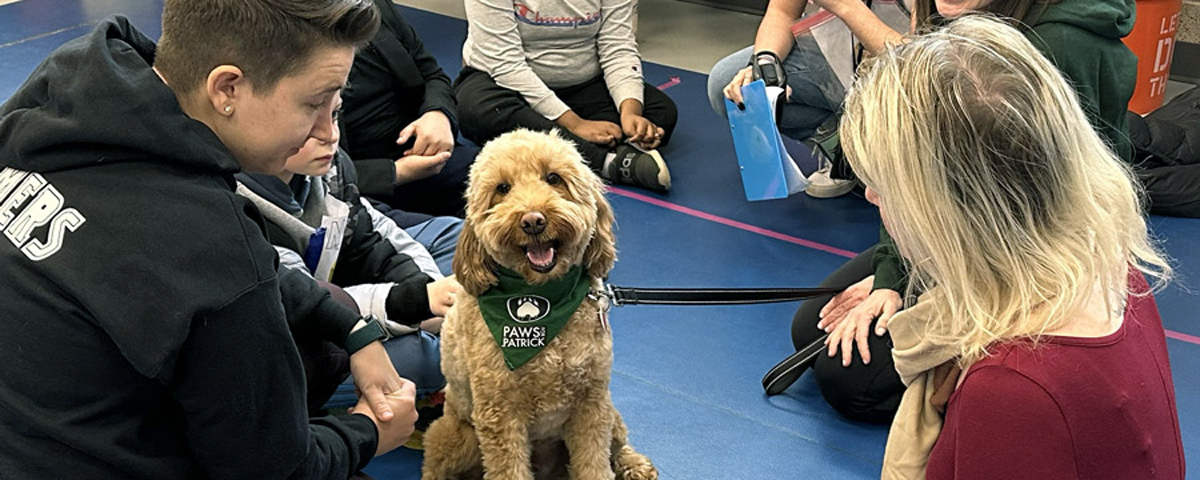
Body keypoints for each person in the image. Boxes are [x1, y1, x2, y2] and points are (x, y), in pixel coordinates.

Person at [0, 1, 420, 477]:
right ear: (227, 88)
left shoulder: (65, 91)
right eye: (313, 103)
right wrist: (368, 430)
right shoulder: (209, 243)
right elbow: (279, 470)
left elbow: (248, 270)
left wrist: (354, 329)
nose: (326, 131)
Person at [743, 0, 1147, 424]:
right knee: (812, 328)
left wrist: (920, 282)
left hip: (1031, 252)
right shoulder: (944, 11)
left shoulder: (1064, 42)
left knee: (848, 378)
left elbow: (1039, 212)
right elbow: (918, 173)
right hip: (959, 222)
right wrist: (891, 276)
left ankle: (980, 392)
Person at [838, 16, 1183, 478]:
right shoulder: (1115, 271)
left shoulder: (1012, 388)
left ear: (949, 212)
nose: (871, 197)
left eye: (883, 186)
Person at [236, 103, 461, 401]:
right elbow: (310, 309)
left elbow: (376, 240)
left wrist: (428, 293)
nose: (331, 135)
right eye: (308, 118)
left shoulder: (331, 167)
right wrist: (414, 303)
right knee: (433, 357)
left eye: (334, 114)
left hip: (348, 294)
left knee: (462, 244)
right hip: (299, 343)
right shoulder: (236, 208)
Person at [454, 0, 679, 192]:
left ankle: (572, 143)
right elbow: (504, 64)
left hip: (582, 85)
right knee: (478, 110)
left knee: (661, 112)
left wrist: (630, 113)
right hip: (504, 84)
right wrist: (574, 124)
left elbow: (618, 45)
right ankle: (604, 160)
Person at [341, 0, 476, 219]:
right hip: (357, 189)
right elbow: (305, 175)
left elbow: (432, 74)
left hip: (426, 156)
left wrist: (437, 113)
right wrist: (396, 173)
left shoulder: (370, 8)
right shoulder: (285, 44)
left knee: (514, 179)